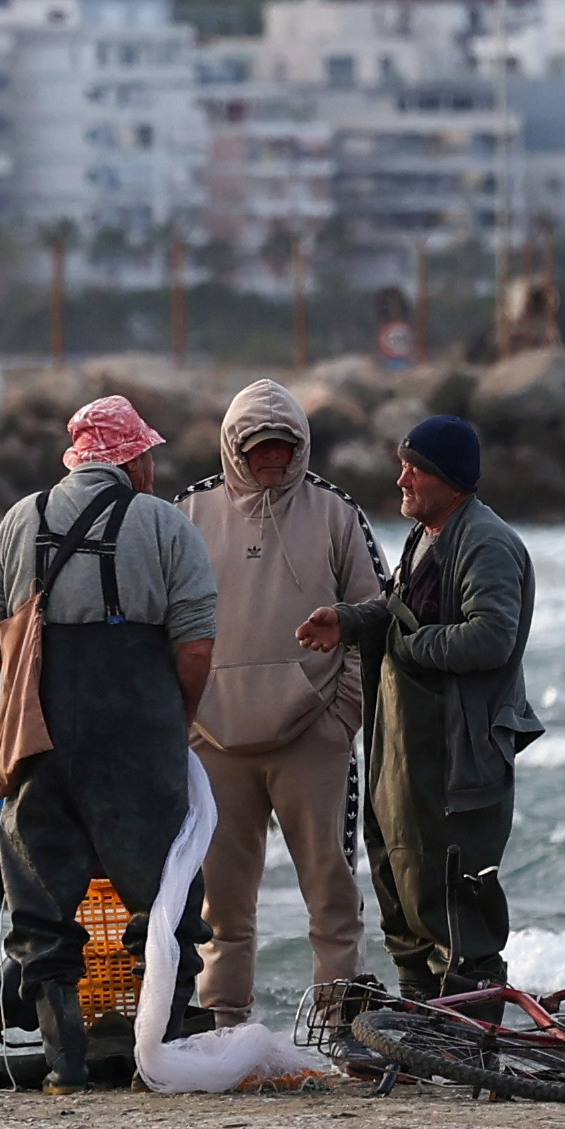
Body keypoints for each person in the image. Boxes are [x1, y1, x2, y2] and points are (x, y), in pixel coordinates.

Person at [0, 393, 219, 1090]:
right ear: (132, 457)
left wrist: (34, 692)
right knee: (165, 897)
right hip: (138, 734)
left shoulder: (19, 521)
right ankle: (158, 1054)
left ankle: (64, 1063)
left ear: (79, 458)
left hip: (40, 738)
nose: (152, 464)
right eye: (149, 454)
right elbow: (195, 645)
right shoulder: (166, 525)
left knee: (41, 902)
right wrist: (175, 718)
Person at [298, 413, 538, 998]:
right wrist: (349, 620)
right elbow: (397, 605)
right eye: (403, 465)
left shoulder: (485, 542)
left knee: (456, 906)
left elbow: (491, 637)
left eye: (416, 469)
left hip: (458, 760)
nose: (401, 479)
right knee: (403, 893)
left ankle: (469, 1043)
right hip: (407, 754)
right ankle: (421, 1034)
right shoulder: (428, 533)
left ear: (450, 479)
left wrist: (410, 646)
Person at [176, 378, 383, 1025]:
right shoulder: (187, 512)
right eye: (259, 447)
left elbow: (377, 612)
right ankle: (224, 1024)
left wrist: (341, 713)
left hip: (311, 740)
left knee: (332, 895)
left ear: (303, 446)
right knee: (222, 906)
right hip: (214, 743)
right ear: (234, 448)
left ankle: (340, 1027)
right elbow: (156, 621)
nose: (273, 459)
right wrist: (185, 721)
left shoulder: (335, 510)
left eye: (285, 446)